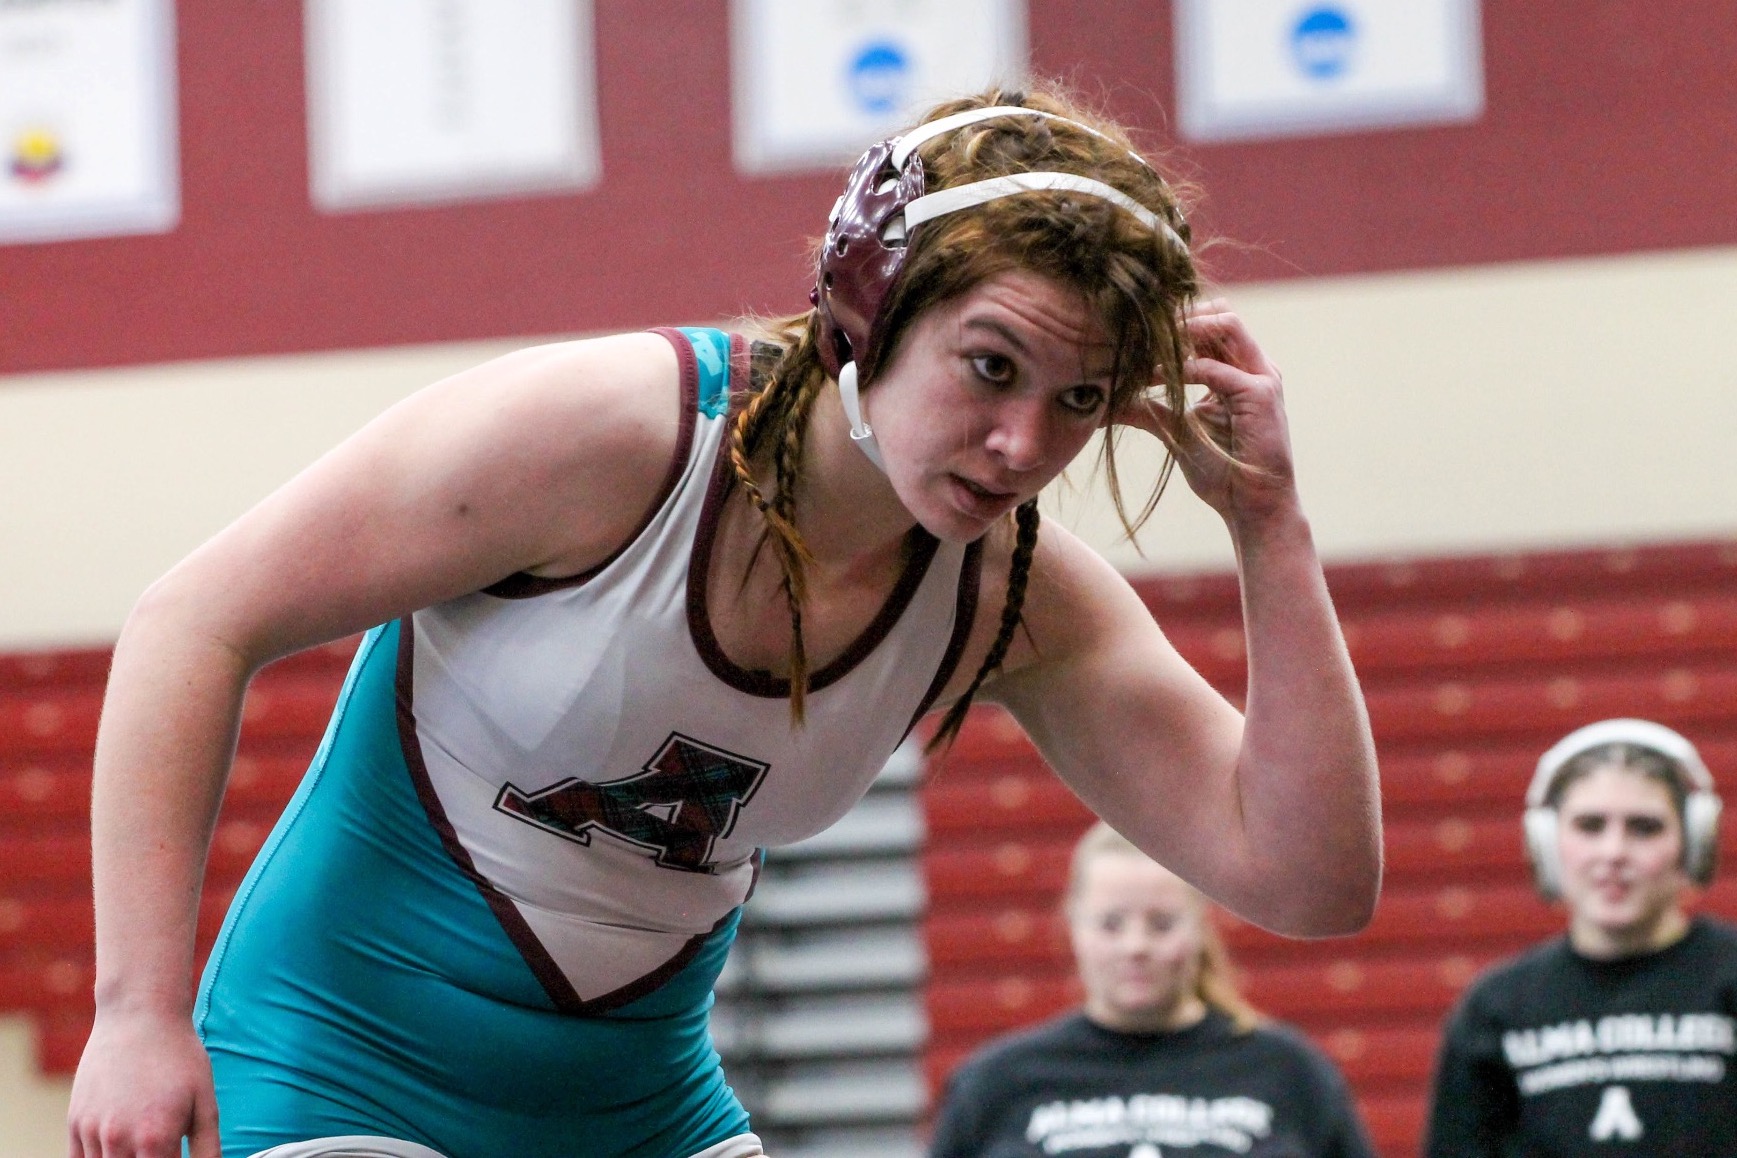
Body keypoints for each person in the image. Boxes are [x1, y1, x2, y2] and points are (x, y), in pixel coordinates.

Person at [67, 83, 1380, 1158]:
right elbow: (193, 617)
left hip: (633, 1103)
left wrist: (1270, 527)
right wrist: (135, 1009)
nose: (1021, 442)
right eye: (990, 366)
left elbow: (1306, 881)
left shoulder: (1007, 591)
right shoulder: (605, 438)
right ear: (867, 306)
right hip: (342, 1059)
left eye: (1081, 399)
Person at [929, 821, 1378, 1158]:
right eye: (1111, 924)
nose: (1135, 946)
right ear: (1073, 927)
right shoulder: (997, 1083)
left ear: (1201, 926)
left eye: (1161, 924)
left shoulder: (1290, 1074)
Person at [1425, 718, 1737, 1155]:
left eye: (1644, 827)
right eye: (1590, 826)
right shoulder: (1497, 1009)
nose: (1613, 853)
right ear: (1548, 844)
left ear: (1694, 842)